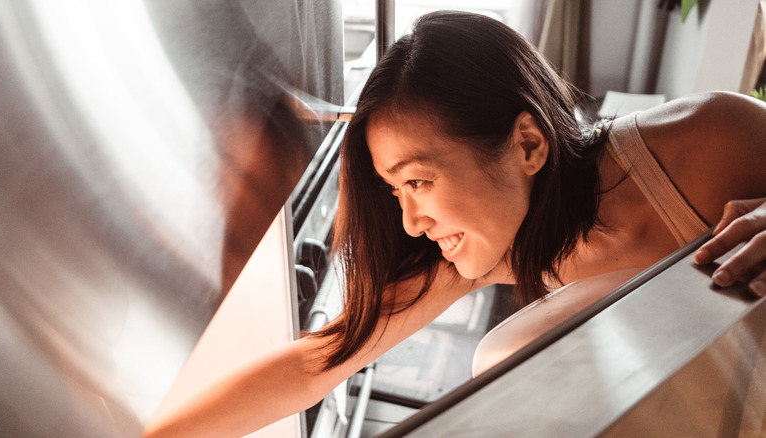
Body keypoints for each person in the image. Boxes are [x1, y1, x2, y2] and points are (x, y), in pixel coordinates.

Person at [143, 10, 766, 437]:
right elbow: (315, 364)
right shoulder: (479, 253)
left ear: (528, 144)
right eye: (394, 192)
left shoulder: (711, 140)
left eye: (418, 182)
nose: (411, 224)